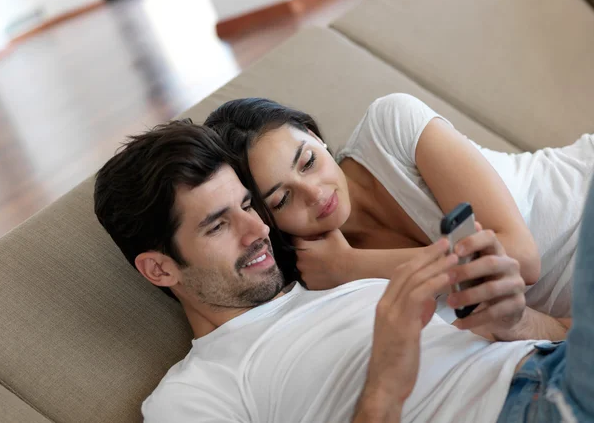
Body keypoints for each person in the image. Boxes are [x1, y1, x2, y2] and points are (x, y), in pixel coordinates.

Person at [94, 120, 593, 422]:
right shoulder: (197, 392)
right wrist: (385, 383)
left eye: (250, 206)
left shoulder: (350, 281)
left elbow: (563, 334)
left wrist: (517, 324)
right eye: (219, 225)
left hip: (558, 367)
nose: (258, 231)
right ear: (159, 268)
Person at [204, 93, 593, 322]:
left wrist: (351, 266)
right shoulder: (318, 283)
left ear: (314, 137)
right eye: (282, 199)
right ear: (265, 219)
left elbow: (521, 260)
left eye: (307, 161)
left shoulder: (391, 126)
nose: (315, 193)